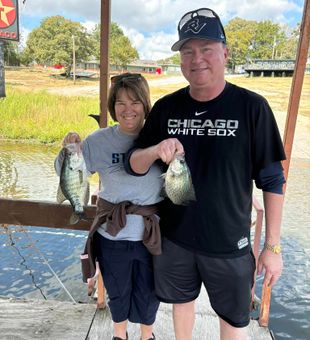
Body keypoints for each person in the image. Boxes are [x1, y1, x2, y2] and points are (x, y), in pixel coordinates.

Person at [125, 8, 286, 340]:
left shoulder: (252, 107)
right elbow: (133, 163)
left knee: (234, 319)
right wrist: (155, 150)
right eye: (187, 51)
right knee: (180, 304)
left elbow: (271, 179)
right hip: (175, 240)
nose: (196, 59)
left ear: (225, 53)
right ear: (181, 59)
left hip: (230, 243)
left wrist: (272, 246)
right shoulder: (167, 108)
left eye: (206, 49)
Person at [55, 73, 163, 340]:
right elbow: (66, 171)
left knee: (150, 292)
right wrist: (67, 149)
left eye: (135, 102)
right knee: (117, 291)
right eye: (121, 103)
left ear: (145, 104)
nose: (128, 110)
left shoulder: (159, 137)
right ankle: (120, 335)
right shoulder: (98, 140)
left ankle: (146, 336)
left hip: (152, 235)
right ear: (113, 106)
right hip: (112, 234)